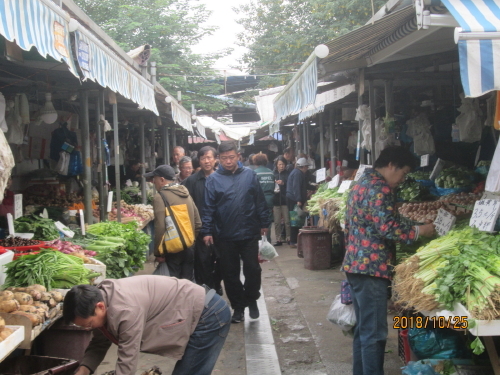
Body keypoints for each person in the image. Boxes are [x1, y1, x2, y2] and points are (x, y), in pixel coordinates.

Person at [342, 146, 435, 375]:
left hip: (355, 264)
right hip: (372, 269)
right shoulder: (379, 186)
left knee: (363, 331)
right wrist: (419, 231)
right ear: (391, 165)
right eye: (402, 173)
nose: (401, 180)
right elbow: (388, 228)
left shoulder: (361, 183)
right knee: (374, 334)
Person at [63, 276, 231, 375]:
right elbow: (99, 342)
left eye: (88, 324)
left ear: (100, 306)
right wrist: (83, 370)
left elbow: (127, 359)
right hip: (194, 311)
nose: (88, 329)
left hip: (208, 315)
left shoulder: (125, 310)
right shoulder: (102, 298)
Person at [201, 141, 271, 323]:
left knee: (253, 270)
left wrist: (264, 222)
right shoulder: (213, 180)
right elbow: (208, 208)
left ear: (238, 156)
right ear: (219, 159)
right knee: (229, 274)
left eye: (231, 157)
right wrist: (207, 231)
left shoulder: (250, 175)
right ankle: (238, 307)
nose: (228, 161)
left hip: (249, 232)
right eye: (224, 158)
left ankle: (252, 298)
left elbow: (260, 201)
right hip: (224, 235)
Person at [145, 165, 201, 280]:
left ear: (161, 180)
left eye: (154, 179)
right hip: (189, 247)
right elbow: (198, 223)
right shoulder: (185, 193)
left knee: (173, 286)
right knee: (187, 284)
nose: (153, 182)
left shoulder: (159, 197)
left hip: (172, 251)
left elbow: (160, 227)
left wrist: (158, 253)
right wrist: (188, 240)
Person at [182, 146, 222, 294]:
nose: (206, 161)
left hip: (219, 228)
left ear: (215, 159)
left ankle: (216, 283)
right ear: (199, 160)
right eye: (203, 158)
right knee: (202, 262)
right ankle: (208, 290)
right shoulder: (191, 181)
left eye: (209, 157)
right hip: (199, 230)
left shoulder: (221, 178)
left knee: (221, 260)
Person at [286, 157, 309, 248]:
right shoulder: (297, 174)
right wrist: (299, 200)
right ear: (303, 167)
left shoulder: (297, 173)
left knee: (296, 220)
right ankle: (293, 241)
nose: (307, 169)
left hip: (292, 198)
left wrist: (314, 188)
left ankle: (295, 240)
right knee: (295, 220)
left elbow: (303, 186)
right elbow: (296, 188)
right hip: (293, 199)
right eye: (306, 167)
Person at [253, 153, 275, 242]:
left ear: (255, 162)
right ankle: (268, 240)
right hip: (270, 199)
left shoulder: (254, 173)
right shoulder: (271, 172)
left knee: (257, 219)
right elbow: (273, 186)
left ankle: (260, 240)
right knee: (268, 220)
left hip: (258, 200)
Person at [273, 156, 290, 246]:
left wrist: (283, 184)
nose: (281, 166)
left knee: (287, 221)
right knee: (277, 222)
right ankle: (278, 239)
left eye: (283, 164)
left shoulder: (287, 174)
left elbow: (290, 185)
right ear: (276, 165)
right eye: (280, 164)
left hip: (285, 200)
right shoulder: (273, 174)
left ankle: (288, 238)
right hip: (276, 201)